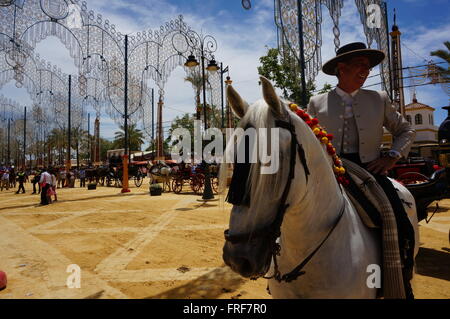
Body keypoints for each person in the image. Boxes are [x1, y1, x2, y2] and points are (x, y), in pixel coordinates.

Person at [307, 42, 416, 298]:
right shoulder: (316, 102)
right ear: (341, 69)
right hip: (329, 170)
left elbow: (406, 130)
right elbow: (308, 141)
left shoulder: (379, 99)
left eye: (368, 67)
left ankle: (400, 281)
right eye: (361, 66)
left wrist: (391, 156)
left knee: (399, 220)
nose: (366, 71)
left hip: (370, 170)